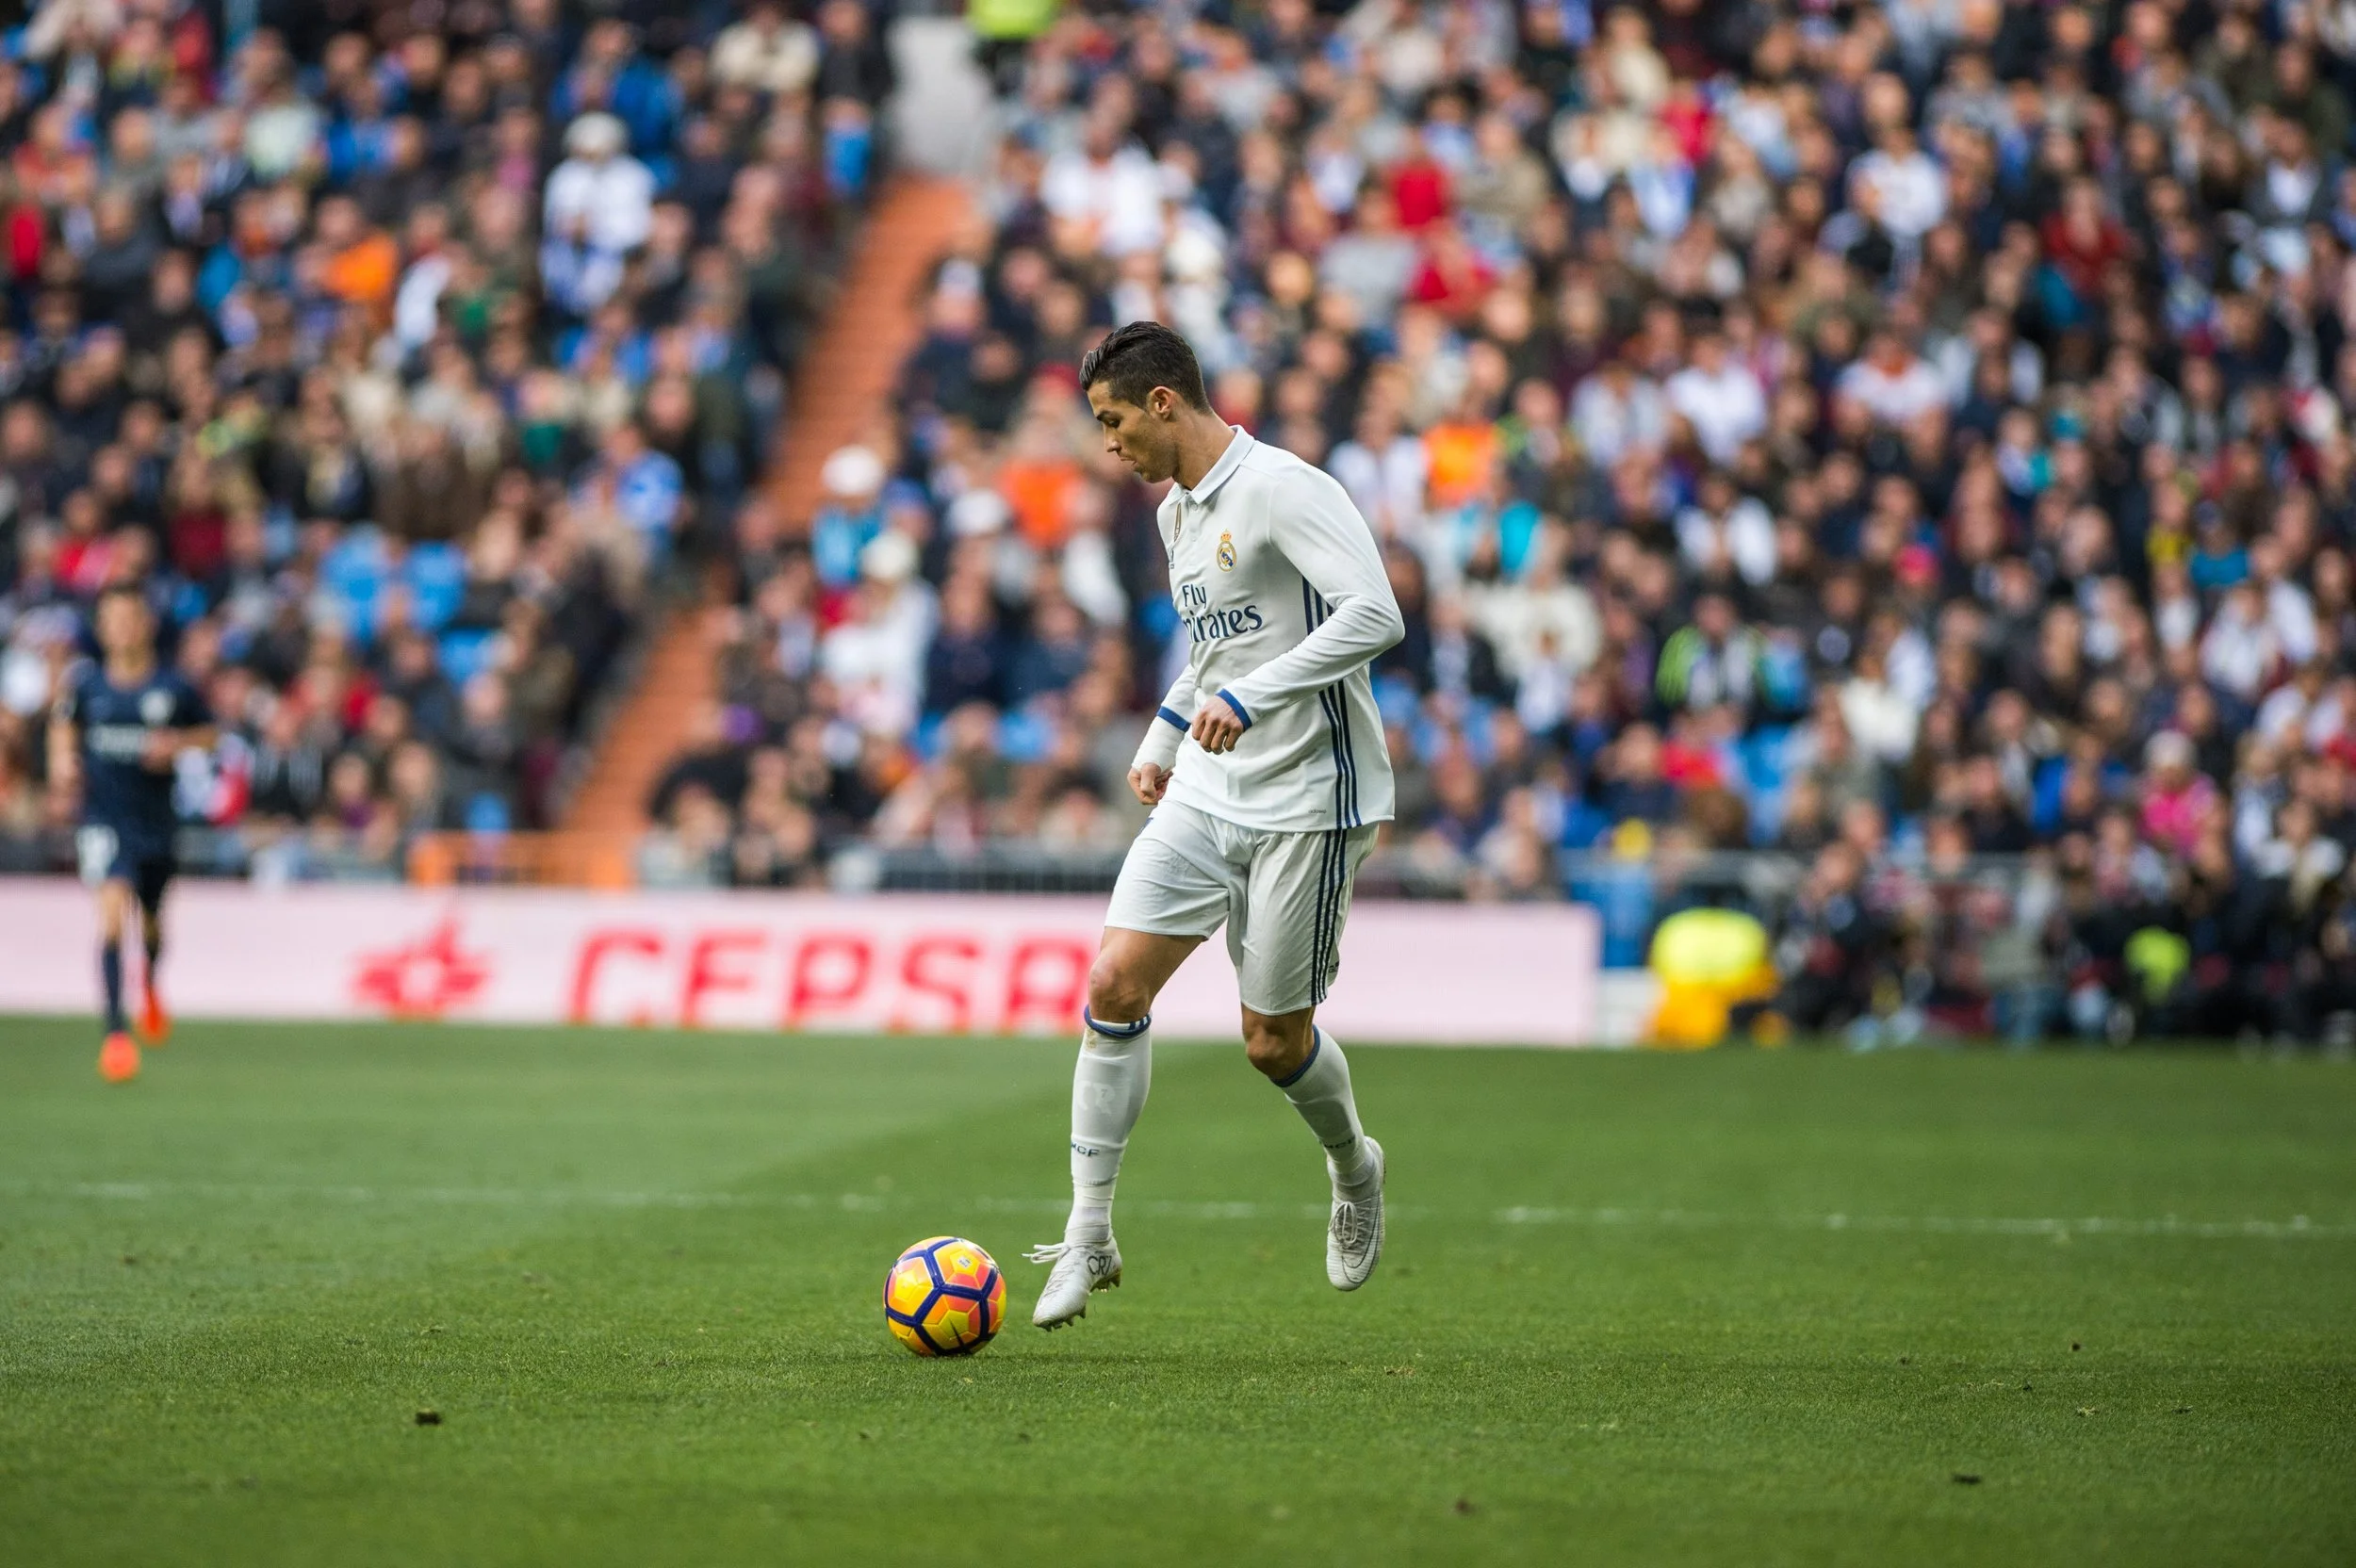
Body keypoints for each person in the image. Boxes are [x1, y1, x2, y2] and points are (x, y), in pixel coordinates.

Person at [1026, 322, 1406, 1330]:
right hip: (1207, 787)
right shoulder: (1174, 514)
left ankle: (1353, 1164)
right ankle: (1089, 1232)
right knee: (1111, 981)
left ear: (1161, 403)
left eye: (1112, 421)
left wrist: (1252, 698)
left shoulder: (1286, 487)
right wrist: (1163, 732)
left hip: (1307, 801)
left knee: (1271, 1041)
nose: (1109, 445)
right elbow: (1210, 653)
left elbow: (1375, 614)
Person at [46, 584, 215, 1083]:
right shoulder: (88, 685)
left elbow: (212, 735)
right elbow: (62, 721)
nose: (120, 628)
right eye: (111, 619)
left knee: (154, 922)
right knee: (114, 917)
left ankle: (152, 982)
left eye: (129, 618)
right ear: (101, 628)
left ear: (145, 625)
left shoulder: (173, 687)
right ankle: (116, 1035)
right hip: (103, 819)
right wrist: (60, 762)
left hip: (156, 824)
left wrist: (179, 743)